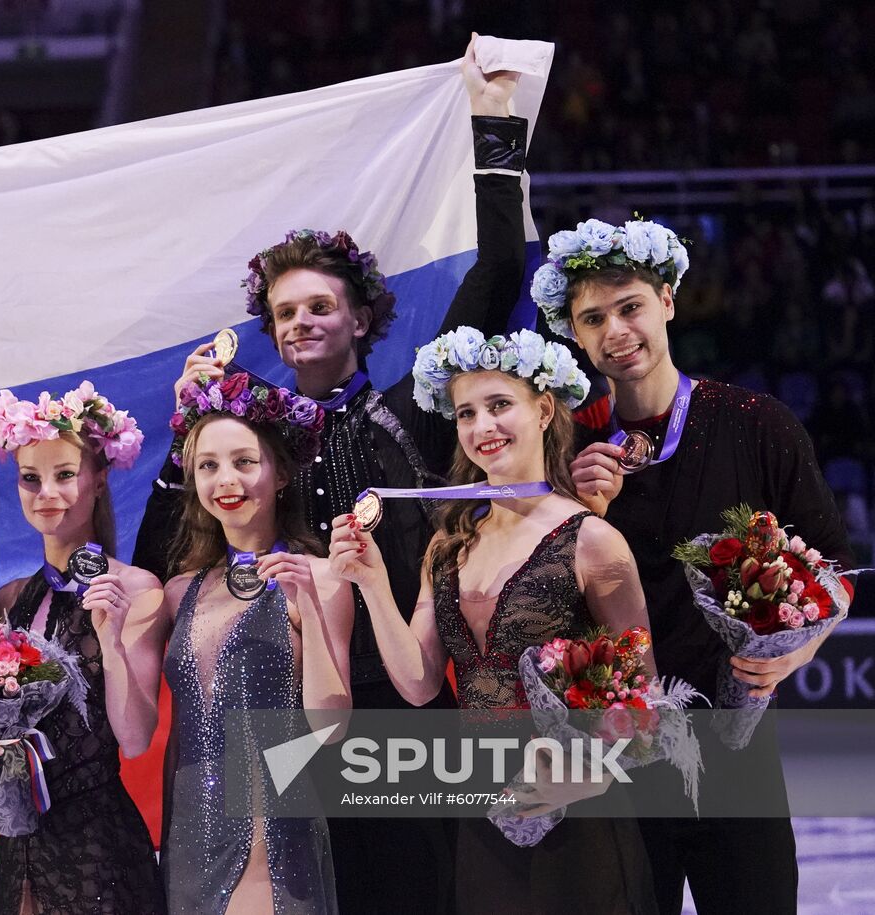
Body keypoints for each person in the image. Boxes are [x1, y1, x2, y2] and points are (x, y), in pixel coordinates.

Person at [133, 36, 531, 913]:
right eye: (285, 313)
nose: (303, 322)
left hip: (406, 705)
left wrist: (493, 125)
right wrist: (182, 425)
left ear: (360, 316)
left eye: (320, 305)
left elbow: (498, 274)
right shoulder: (257, 444)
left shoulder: (416, 401)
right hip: (293, 717)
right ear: (270, 333)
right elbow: (166, 555)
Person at [534, 216, 855, 915]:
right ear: (576, 335)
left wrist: (790, 659)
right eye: (594, 318)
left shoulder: (756, 422)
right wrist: (580, 511)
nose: (616, 329)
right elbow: (538, 602)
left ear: (669, 302)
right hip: (617, 758)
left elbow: (835, 572)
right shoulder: (563, 449)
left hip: (735, 750)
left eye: (630, 307)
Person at [330, 325, 659, 914]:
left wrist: (592, 777)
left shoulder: (594, 542)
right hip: (484, 815)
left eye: (499, 405)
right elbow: (420, 683)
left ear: (543, 409)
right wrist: (373, 585)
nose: (482, 427)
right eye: (466, 414)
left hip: (581, 817)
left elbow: (644, 702)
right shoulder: (448, 544)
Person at [0, 383, 164, 914]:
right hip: (21, 839)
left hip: (97, 844)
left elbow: (136, 739)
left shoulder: (137, 588)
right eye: (30, 479)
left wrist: (111, 638)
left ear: (97, 480)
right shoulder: (10, 599)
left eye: (64, 475)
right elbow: (6, 720)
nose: (45, 491)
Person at [161, 372, 354, 914]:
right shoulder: (180, 591)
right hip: (187, 832)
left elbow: (332, 730)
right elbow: (179, 734)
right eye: (209, 465)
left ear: (282, 471)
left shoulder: (322, 578)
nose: (227, 479)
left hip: (270, 832)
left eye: (245, 461)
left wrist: (309, 604)